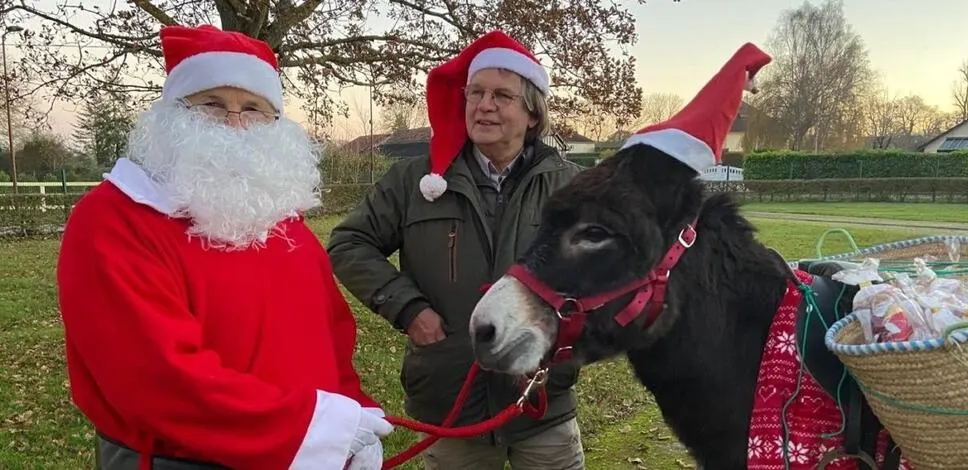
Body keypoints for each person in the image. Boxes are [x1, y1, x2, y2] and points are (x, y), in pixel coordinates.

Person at [56, 24, 392, 470]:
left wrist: (354, 413)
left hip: (308, 451)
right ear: (173, 115)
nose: (234, 124)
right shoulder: (114, 219)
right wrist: (316, 430)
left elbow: (332, 339)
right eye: (212, 104)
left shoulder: (285, 224)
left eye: (253, 108)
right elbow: (156, 379)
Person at [327, 30, 585, 469]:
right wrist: (408, 309)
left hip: (543, 404)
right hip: (449, 400)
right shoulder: (415, 181)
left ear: (532, 114)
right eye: (476, 93)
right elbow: (349, 242)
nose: (484, 105)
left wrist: (562, 333)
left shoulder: (572, 187)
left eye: (501, 95)